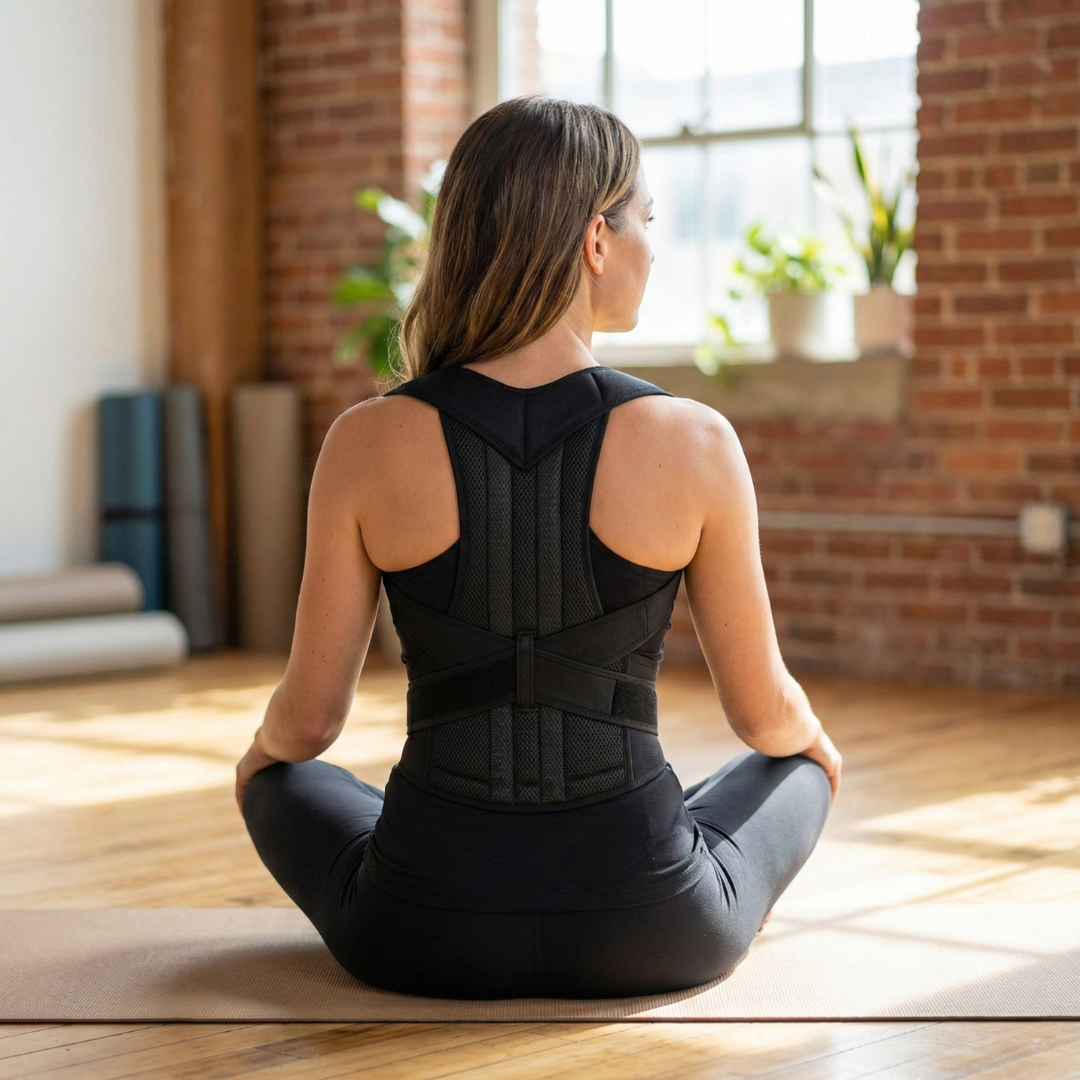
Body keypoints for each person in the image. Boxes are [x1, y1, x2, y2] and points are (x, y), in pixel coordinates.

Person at [237, 96, 841, 1001]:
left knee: (284, 779)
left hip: (414, 934)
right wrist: (818, 752)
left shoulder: (366, 441)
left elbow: (311, 721)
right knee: (793, 766)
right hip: (656, 931)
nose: (651, 246)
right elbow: (762, 719)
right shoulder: (697, 441)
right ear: (595, 240)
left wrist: (256, 764)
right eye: (645, 221)